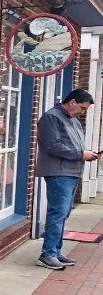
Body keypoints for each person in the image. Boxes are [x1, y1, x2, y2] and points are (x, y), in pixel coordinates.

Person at [35, 88, 98, 270]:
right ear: (72, 102)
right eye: (82, 108)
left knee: (64, 214)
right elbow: (52, 147)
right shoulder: (51, 118)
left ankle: (55, 250)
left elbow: (74, 146)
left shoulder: (73, 121)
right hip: (58, 172)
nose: (82, 112)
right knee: (57, 213)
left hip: (71, 172)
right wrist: (81, 154)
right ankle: (48, 254)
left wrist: (88, 155)